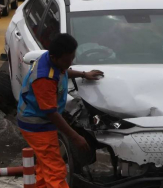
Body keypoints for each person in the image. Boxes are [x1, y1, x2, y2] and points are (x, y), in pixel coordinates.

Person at [17, 33, 104, 188]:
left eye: (72, 58)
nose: (70, 62)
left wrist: (83, 74)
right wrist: (75, 137)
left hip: (38, 122)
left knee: (45, 167)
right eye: (67, 60)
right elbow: (51, 113)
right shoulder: (44, 78)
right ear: (55, 57)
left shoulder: (54, 61)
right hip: (38, 125)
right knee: (55, 171)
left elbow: (62, 72)